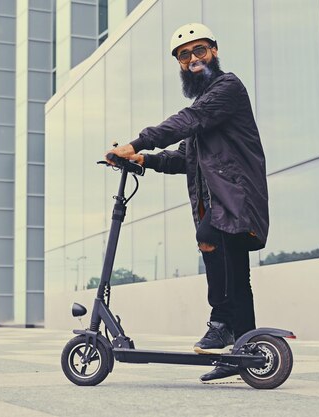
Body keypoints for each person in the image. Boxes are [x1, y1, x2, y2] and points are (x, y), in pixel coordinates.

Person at [106, 23, 269, 383]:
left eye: (200, 51)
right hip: (225, 201)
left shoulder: (227, 88)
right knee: (238, 278)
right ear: (179, 65)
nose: (193, 59)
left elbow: (189, 120)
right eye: (185, 55)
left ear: (214, 50)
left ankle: (222, 323)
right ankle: (246, 353)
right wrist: (143, 160)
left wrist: (138, 142)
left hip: (237, 198)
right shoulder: (204, 108)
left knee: (208, 234)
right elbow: (184, 157)